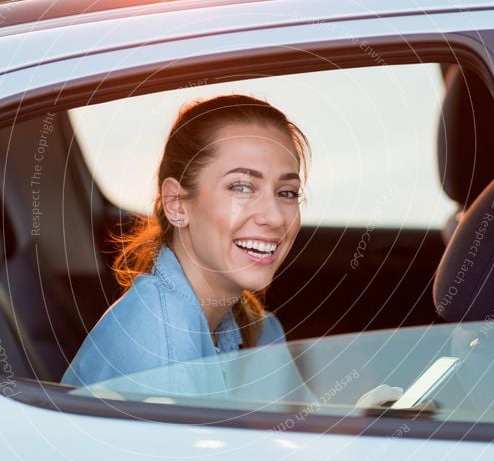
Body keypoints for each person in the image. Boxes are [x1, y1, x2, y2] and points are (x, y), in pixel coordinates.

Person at [60, 94, 310, 393]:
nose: (273, 217)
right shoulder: (161, 345)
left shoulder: (258, 327)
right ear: (177, 204)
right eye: (241, 187)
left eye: (287, 192)